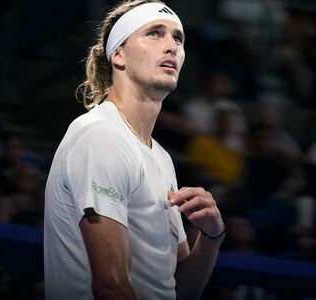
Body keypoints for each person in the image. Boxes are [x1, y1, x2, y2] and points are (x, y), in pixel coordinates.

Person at [43, 1, 225, 299]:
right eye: (155, 33)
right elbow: (111, 286)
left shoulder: (161, 158)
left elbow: (178, 290)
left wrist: (211, 238)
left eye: (178, 38)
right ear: (119, 55)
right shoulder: (100, 135)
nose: (172, 47)